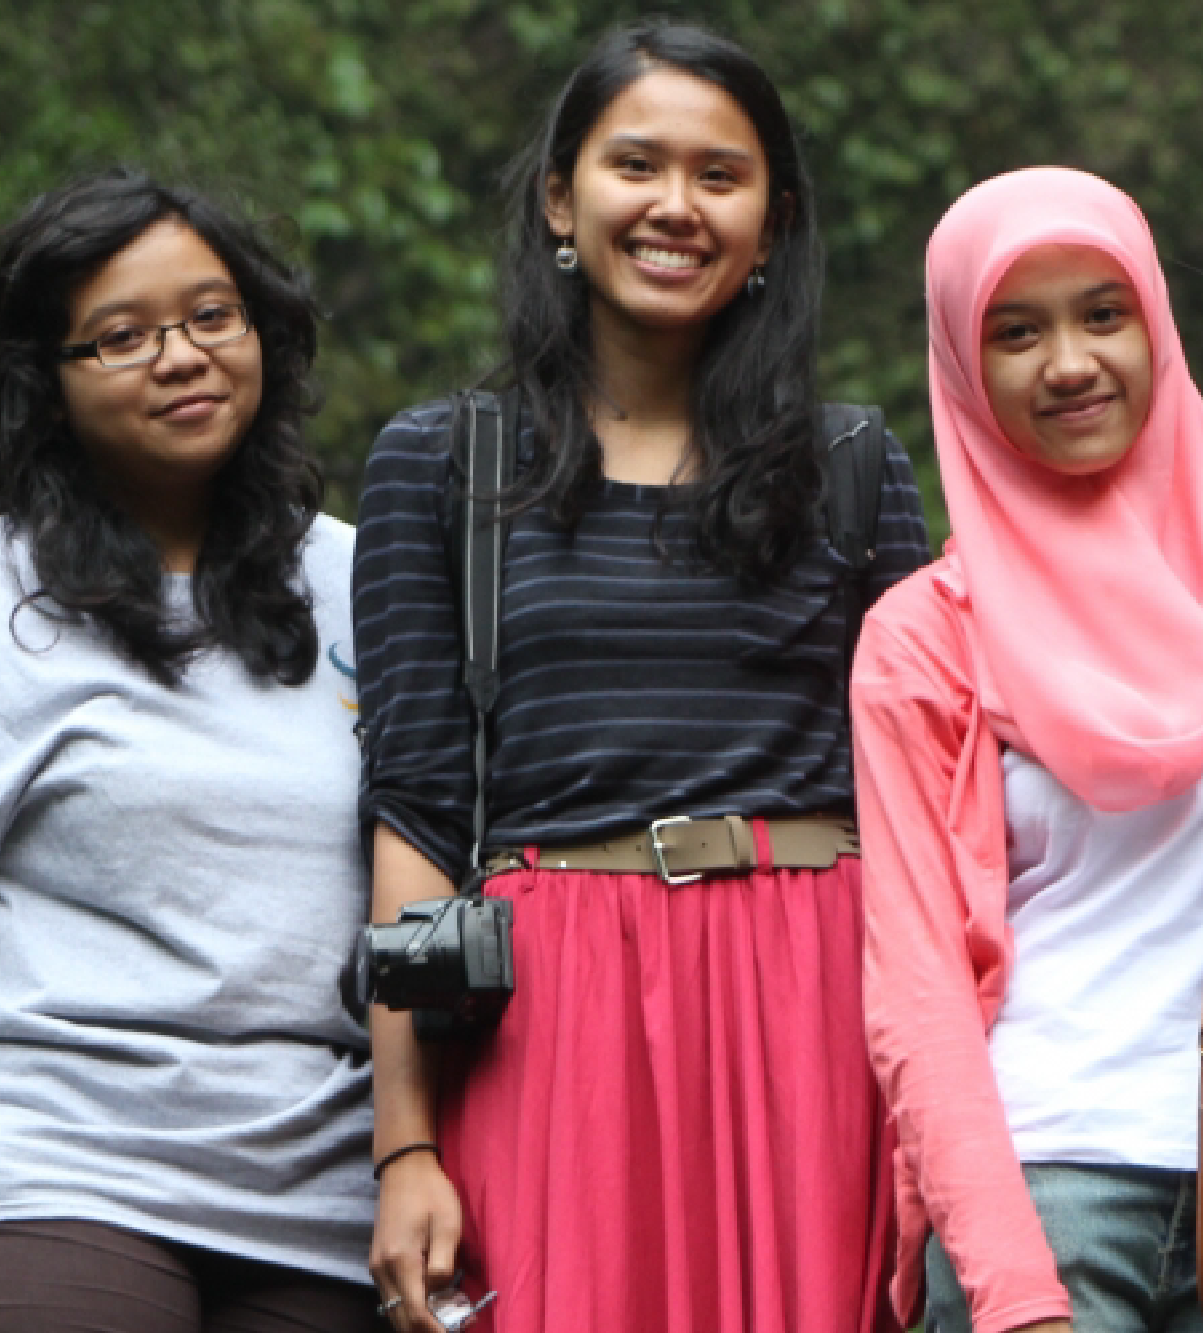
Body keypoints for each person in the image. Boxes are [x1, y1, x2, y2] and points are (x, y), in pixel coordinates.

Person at [353, 19, 929, 1333]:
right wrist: (405, 1148)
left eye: (722, 176)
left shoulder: (854, 464)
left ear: (773, 222)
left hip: (816, 1005)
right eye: (637, 166)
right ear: (564, 197)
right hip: (552, 1014)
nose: (677, 206)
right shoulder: (443, 462)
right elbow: (416, 814)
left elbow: (930, 797)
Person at [852, 166, 1203, 1333]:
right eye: (1015, 332)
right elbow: (917, 987)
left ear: (1156, 325)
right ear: (962, 370)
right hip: (1053, 1188)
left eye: (1102, 311)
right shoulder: (926, 635)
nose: (1069, 362)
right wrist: (1012, 1285)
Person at [0, 170, 377, 1330]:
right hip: (69, 1163)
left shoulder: (367, 580)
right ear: (44, 384)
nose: (182, 355)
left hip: (331, 1187)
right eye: (122, 336)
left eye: (213, 316)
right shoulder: (3, 593)